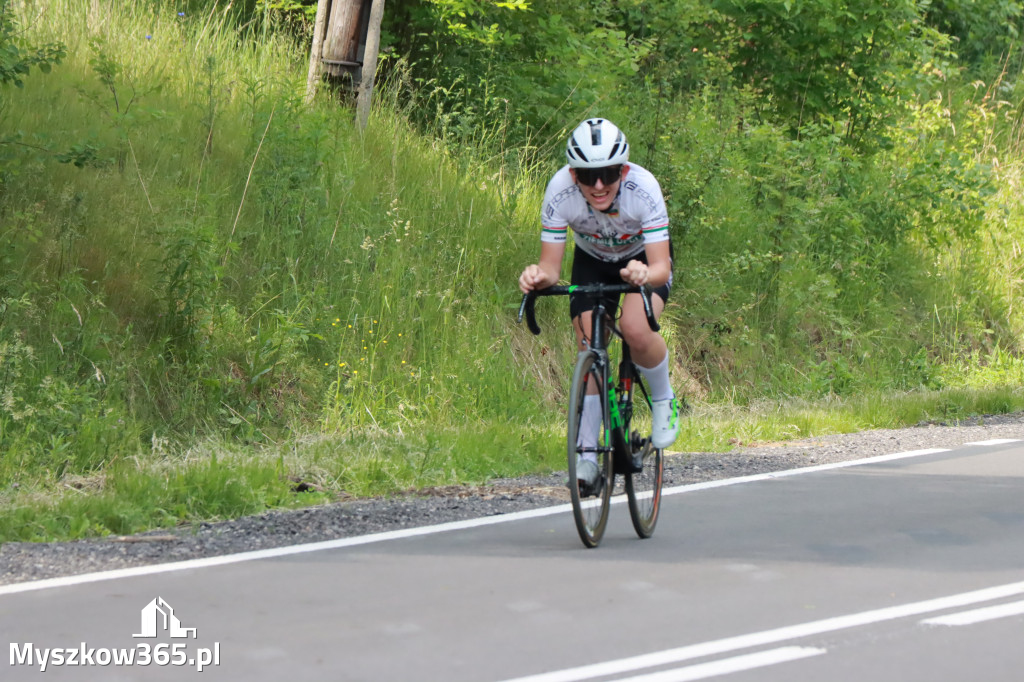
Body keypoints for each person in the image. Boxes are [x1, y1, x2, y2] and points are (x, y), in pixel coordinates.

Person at [518, 118, 682, 490]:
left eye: (607, 174)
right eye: (586, 175)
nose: (597, 186)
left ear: (623, 169)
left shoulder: (644, 189)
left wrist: (643, 273)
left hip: (642, 260)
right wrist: (536, 277)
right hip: (592, 259)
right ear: (573, 174)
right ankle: (587, 456)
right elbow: (550, 267)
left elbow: (661, 268)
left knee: (636, 330)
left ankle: (663, 398)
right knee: (589, 343)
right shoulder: (560, 191)